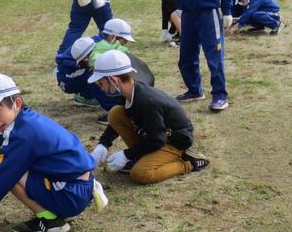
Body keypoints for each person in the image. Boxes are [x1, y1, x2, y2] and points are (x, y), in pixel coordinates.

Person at [0, 74, 108, 232]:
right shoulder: (28, 120)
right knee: (8, 165)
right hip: (80, 183)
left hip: (71, 195)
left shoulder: (23, 135)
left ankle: (50, 221)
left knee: (8, 174)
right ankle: (60, 203)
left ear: (17, 104)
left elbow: (1, 177)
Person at [87, 50, 209, 184]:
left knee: (140, 174)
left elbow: (158, 140)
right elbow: (121, 119)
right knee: (115, 113)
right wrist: (103, 144)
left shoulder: (147, 102)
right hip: (156, 136)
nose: (101, 88)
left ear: (114, 80)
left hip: (173, 142)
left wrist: (127, 154)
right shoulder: (128, 92)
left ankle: (188, 163)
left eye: (101, 83)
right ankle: (142, 157)